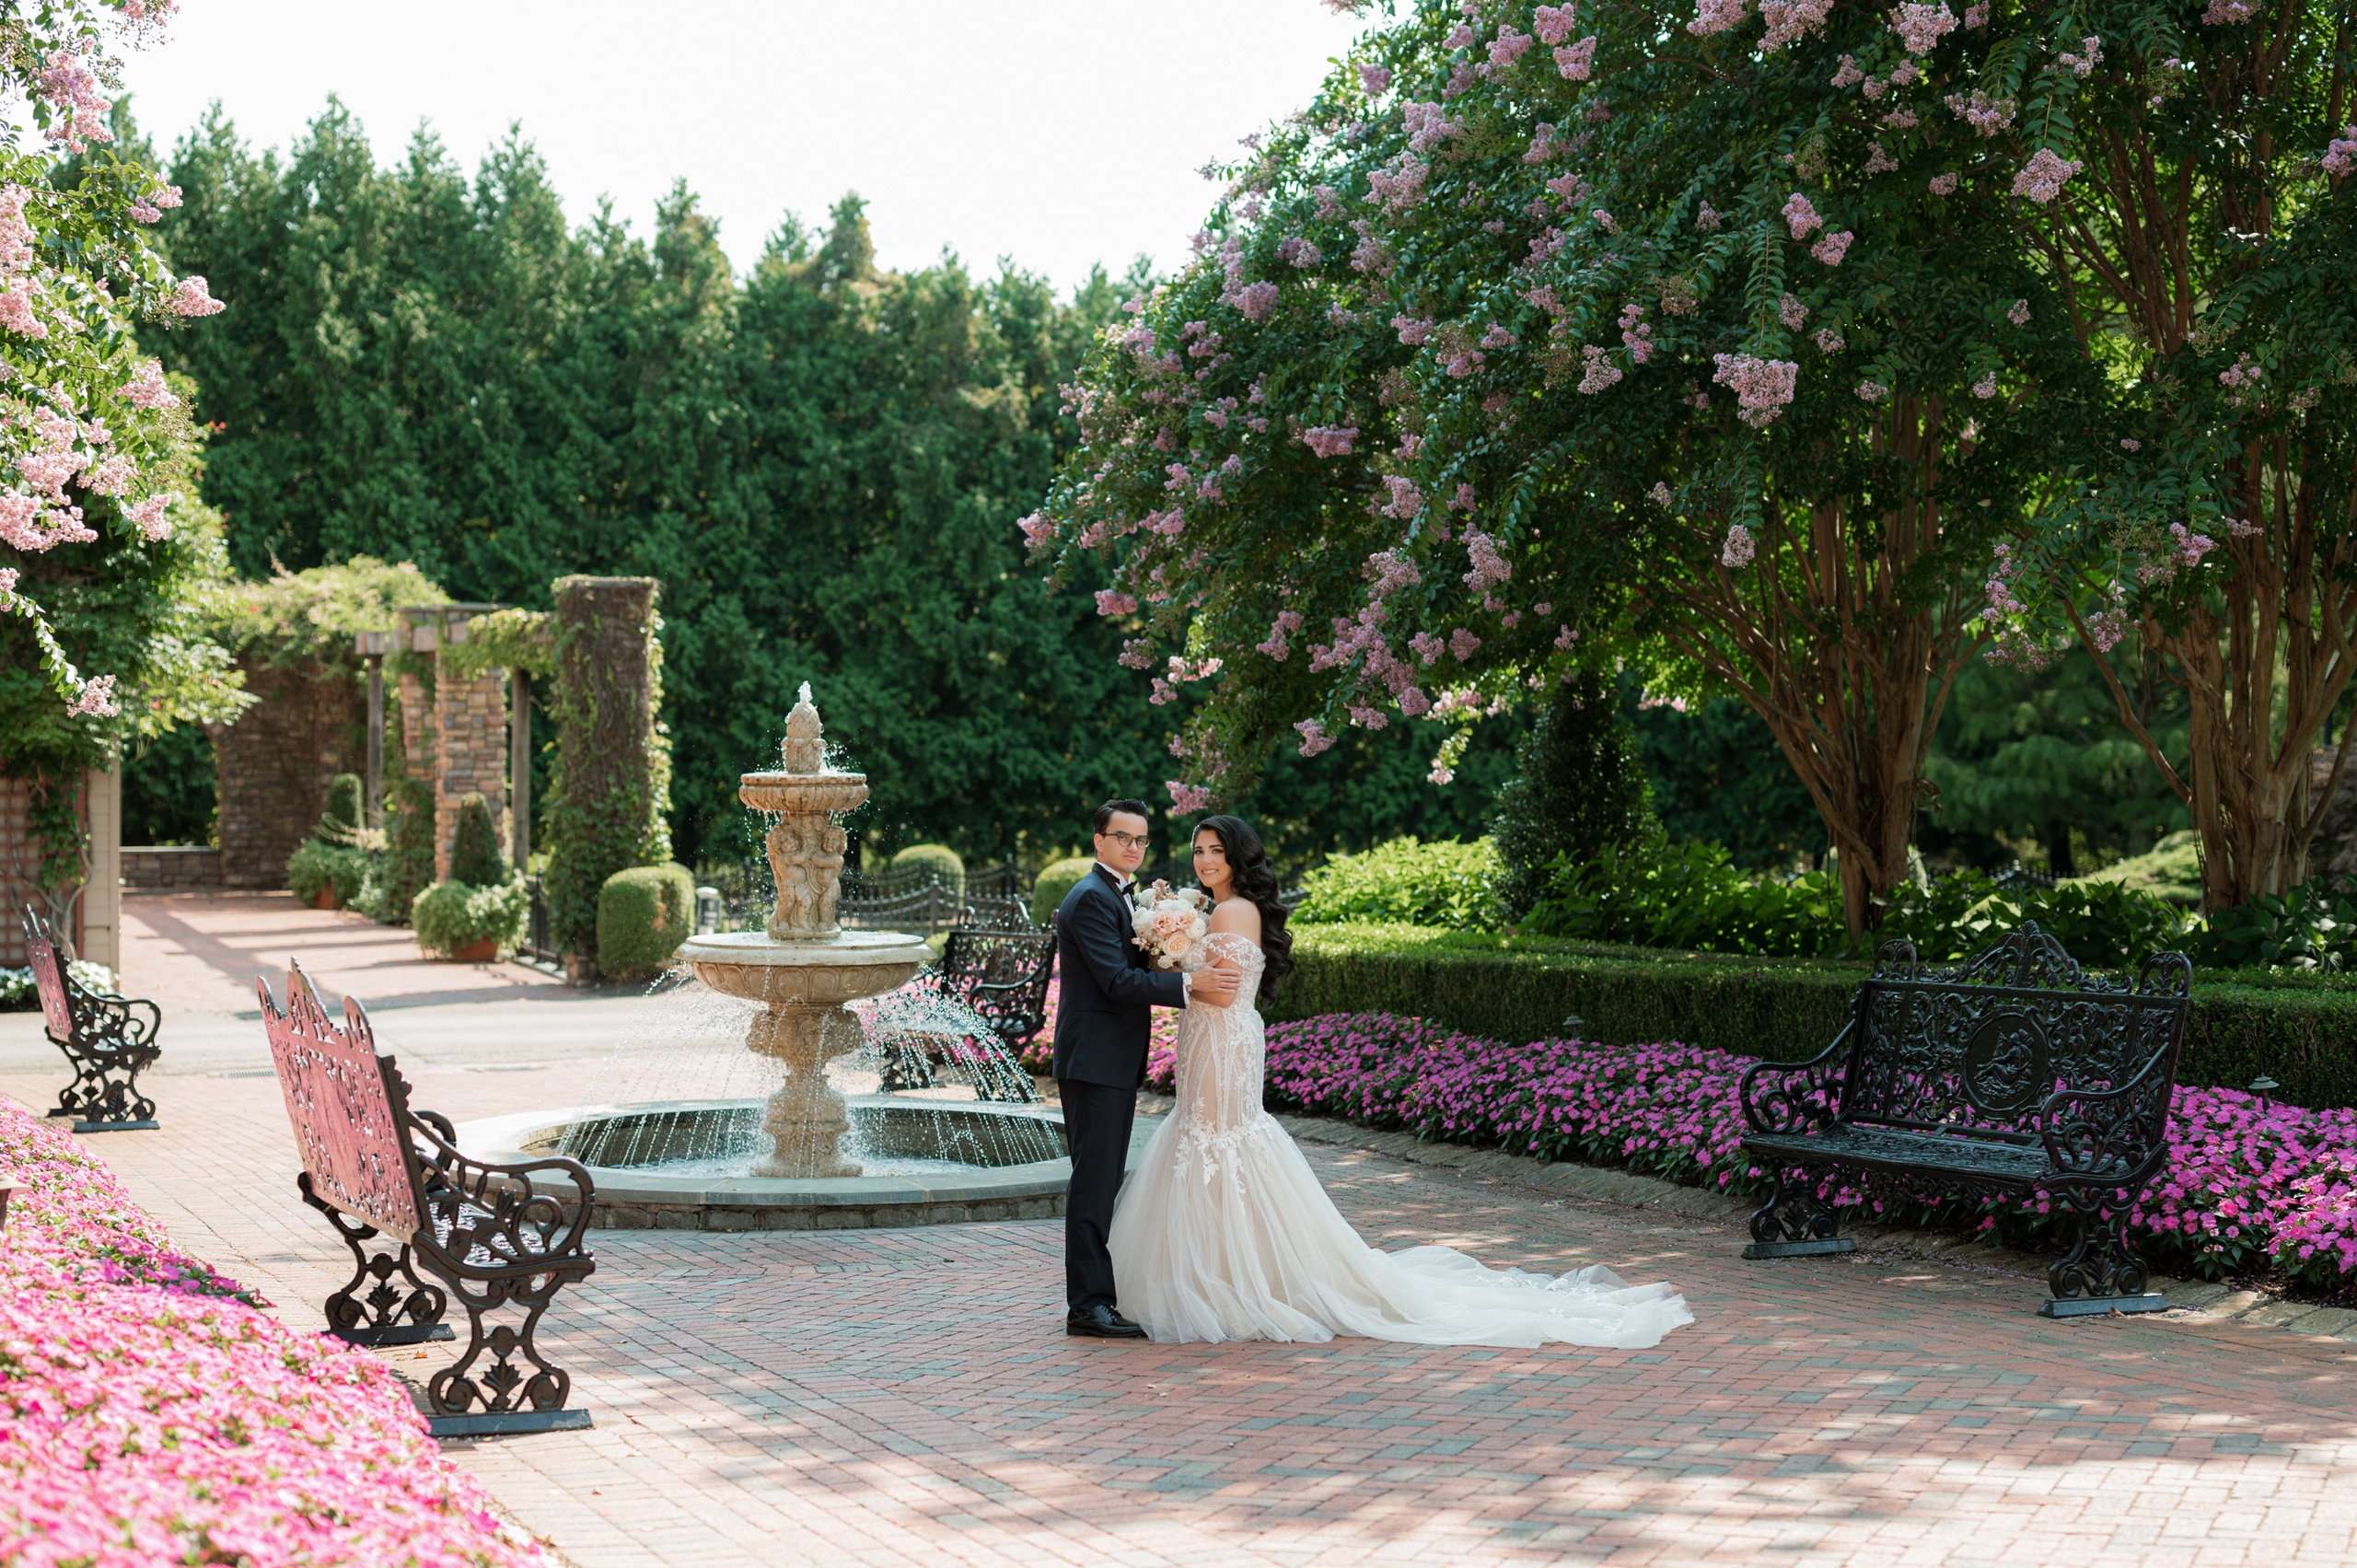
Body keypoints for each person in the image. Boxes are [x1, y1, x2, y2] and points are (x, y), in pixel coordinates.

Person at [1107, 814, 1695, 1349]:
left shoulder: (1233, 912)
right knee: (1212, 1139)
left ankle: (1231, 1281)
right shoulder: (1225, 910)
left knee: (1216, 1140)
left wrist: (1170, 956)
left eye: (1216, 852)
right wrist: (1173, 949)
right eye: (1198, 851)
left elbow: (1222, 987)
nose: (1205, 861)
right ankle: (1232, 1272)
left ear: (1238, 858)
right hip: (1214, 1036)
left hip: (1223, 1039)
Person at [1052, 798, 1240, 1338]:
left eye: (1141, 839)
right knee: (1094, 1181)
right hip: (1093, 1060)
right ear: (1099, 841)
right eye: (1123, 837)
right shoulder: (1089, 898)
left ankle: (1096, 1298)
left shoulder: (1117, 893)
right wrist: (1190, 983)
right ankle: (1087, 1306)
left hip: (1108, 1058)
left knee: (1104, 1177)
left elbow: (1131, 965)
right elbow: (1116, 981)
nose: (1133, 847)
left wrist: (1169, 944)